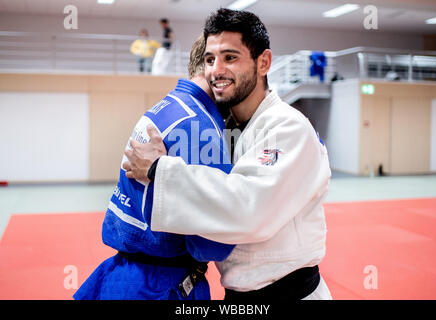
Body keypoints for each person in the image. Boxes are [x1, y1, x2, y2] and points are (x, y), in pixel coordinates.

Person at [124, 8, 333, 300]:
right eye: (210, 59)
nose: (216, 70)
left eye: (230, 57)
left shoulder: (288, 126)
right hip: (237, 293)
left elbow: (248, 208)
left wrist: (159, 169)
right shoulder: (224, 128)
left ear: (264, 62)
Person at [73, 34, 235, 300]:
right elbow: (211, 243)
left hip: (129, 273)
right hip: (159, 285)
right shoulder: (199, 125)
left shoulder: (167, 107)